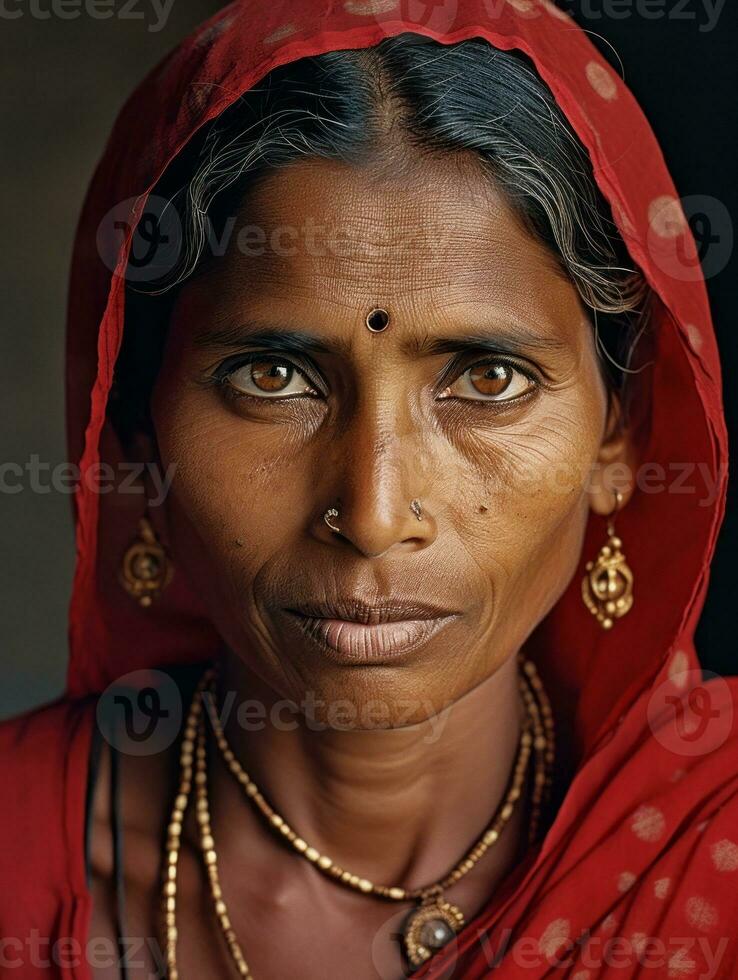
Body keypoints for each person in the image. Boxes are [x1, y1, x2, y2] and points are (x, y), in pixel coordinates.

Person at [1, 2, 736, 978]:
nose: (377, 512)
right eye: (273, 377)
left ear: (618, 435)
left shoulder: (707, 859)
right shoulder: (20, 862)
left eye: (487, 378)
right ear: (134, 437)